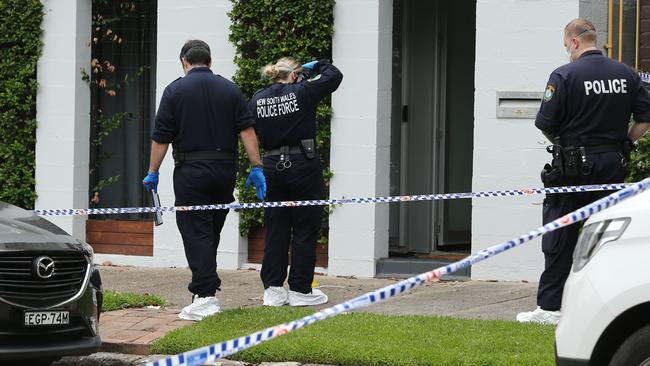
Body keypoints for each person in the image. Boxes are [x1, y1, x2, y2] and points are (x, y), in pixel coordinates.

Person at [517, 18, 650, 324]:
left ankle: (550, 308)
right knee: (607, 236)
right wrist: (623, 143)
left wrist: (565, 147)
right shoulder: (625, 73)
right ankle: (607, 307)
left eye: (566, 45)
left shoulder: (564, 74)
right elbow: (645, 117)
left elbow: (545, 124)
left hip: (573, 170)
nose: (567, 50)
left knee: (559, 234)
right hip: (612, 166)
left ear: (575, 42)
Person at [142, 40, 266, 320]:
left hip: (191, 170)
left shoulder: (174, 90)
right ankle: (204, 290)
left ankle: (206, 296)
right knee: (211, 229)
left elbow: (161, 137)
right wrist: (257, 167)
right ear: (209, 62)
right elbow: (247, 131)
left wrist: (153, 171)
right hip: (224, 171)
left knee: (195, 231)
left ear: (184, 62)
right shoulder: (230, 88)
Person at [249, 57, 343, 306]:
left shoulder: (258, 98)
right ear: (293, 75)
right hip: (303, 163)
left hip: (271, 166)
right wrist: (318, 65)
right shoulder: (302, 90)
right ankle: (301, 290)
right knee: (305, 225)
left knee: (276, 226)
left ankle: (273, 289)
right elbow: (334, 75)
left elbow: (249, 127)